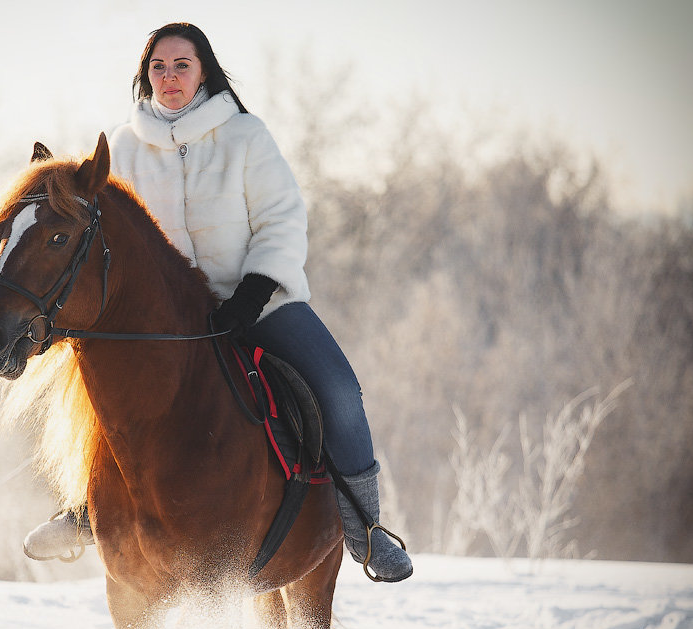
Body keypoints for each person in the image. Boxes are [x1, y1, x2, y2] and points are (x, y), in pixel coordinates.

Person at [23, 22, 412, 582]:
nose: (170, 77)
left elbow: (282, 218)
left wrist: (256, 289)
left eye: (182, 65)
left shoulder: (246, 136)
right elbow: (104, 230)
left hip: (256, 301)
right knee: (102, 395)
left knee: (340, 391)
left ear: (204, 70)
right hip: (166, 320)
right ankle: (86, 508)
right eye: (159, 67)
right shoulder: (125, 147)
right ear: (145, 75)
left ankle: (366, 529)